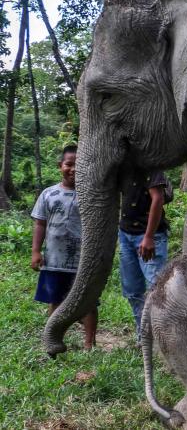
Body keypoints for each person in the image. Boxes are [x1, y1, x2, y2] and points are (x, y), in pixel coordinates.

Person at [31, 145, 97, 349]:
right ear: (60, 166)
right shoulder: (48, 194)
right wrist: (35, 251)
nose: (74, 169)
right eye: (69, 164)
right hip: (54, 260)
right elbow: (40, 223)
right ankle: (53, 338)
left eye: (79, 165)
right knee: (56, 301)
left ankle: (89, 344)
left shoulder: (92, 195)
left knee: (88, 303)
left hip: (83, 262)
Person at [119, 169, 169, 342]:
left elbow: (158, 198)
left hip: (148, 236)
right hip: (126, 235)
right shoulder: (123, 168)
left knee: (156, 289)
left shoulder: (150, 166)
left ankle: (163, 338)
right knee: (132, 290)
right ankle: (144, 337)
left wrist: (148, 236)